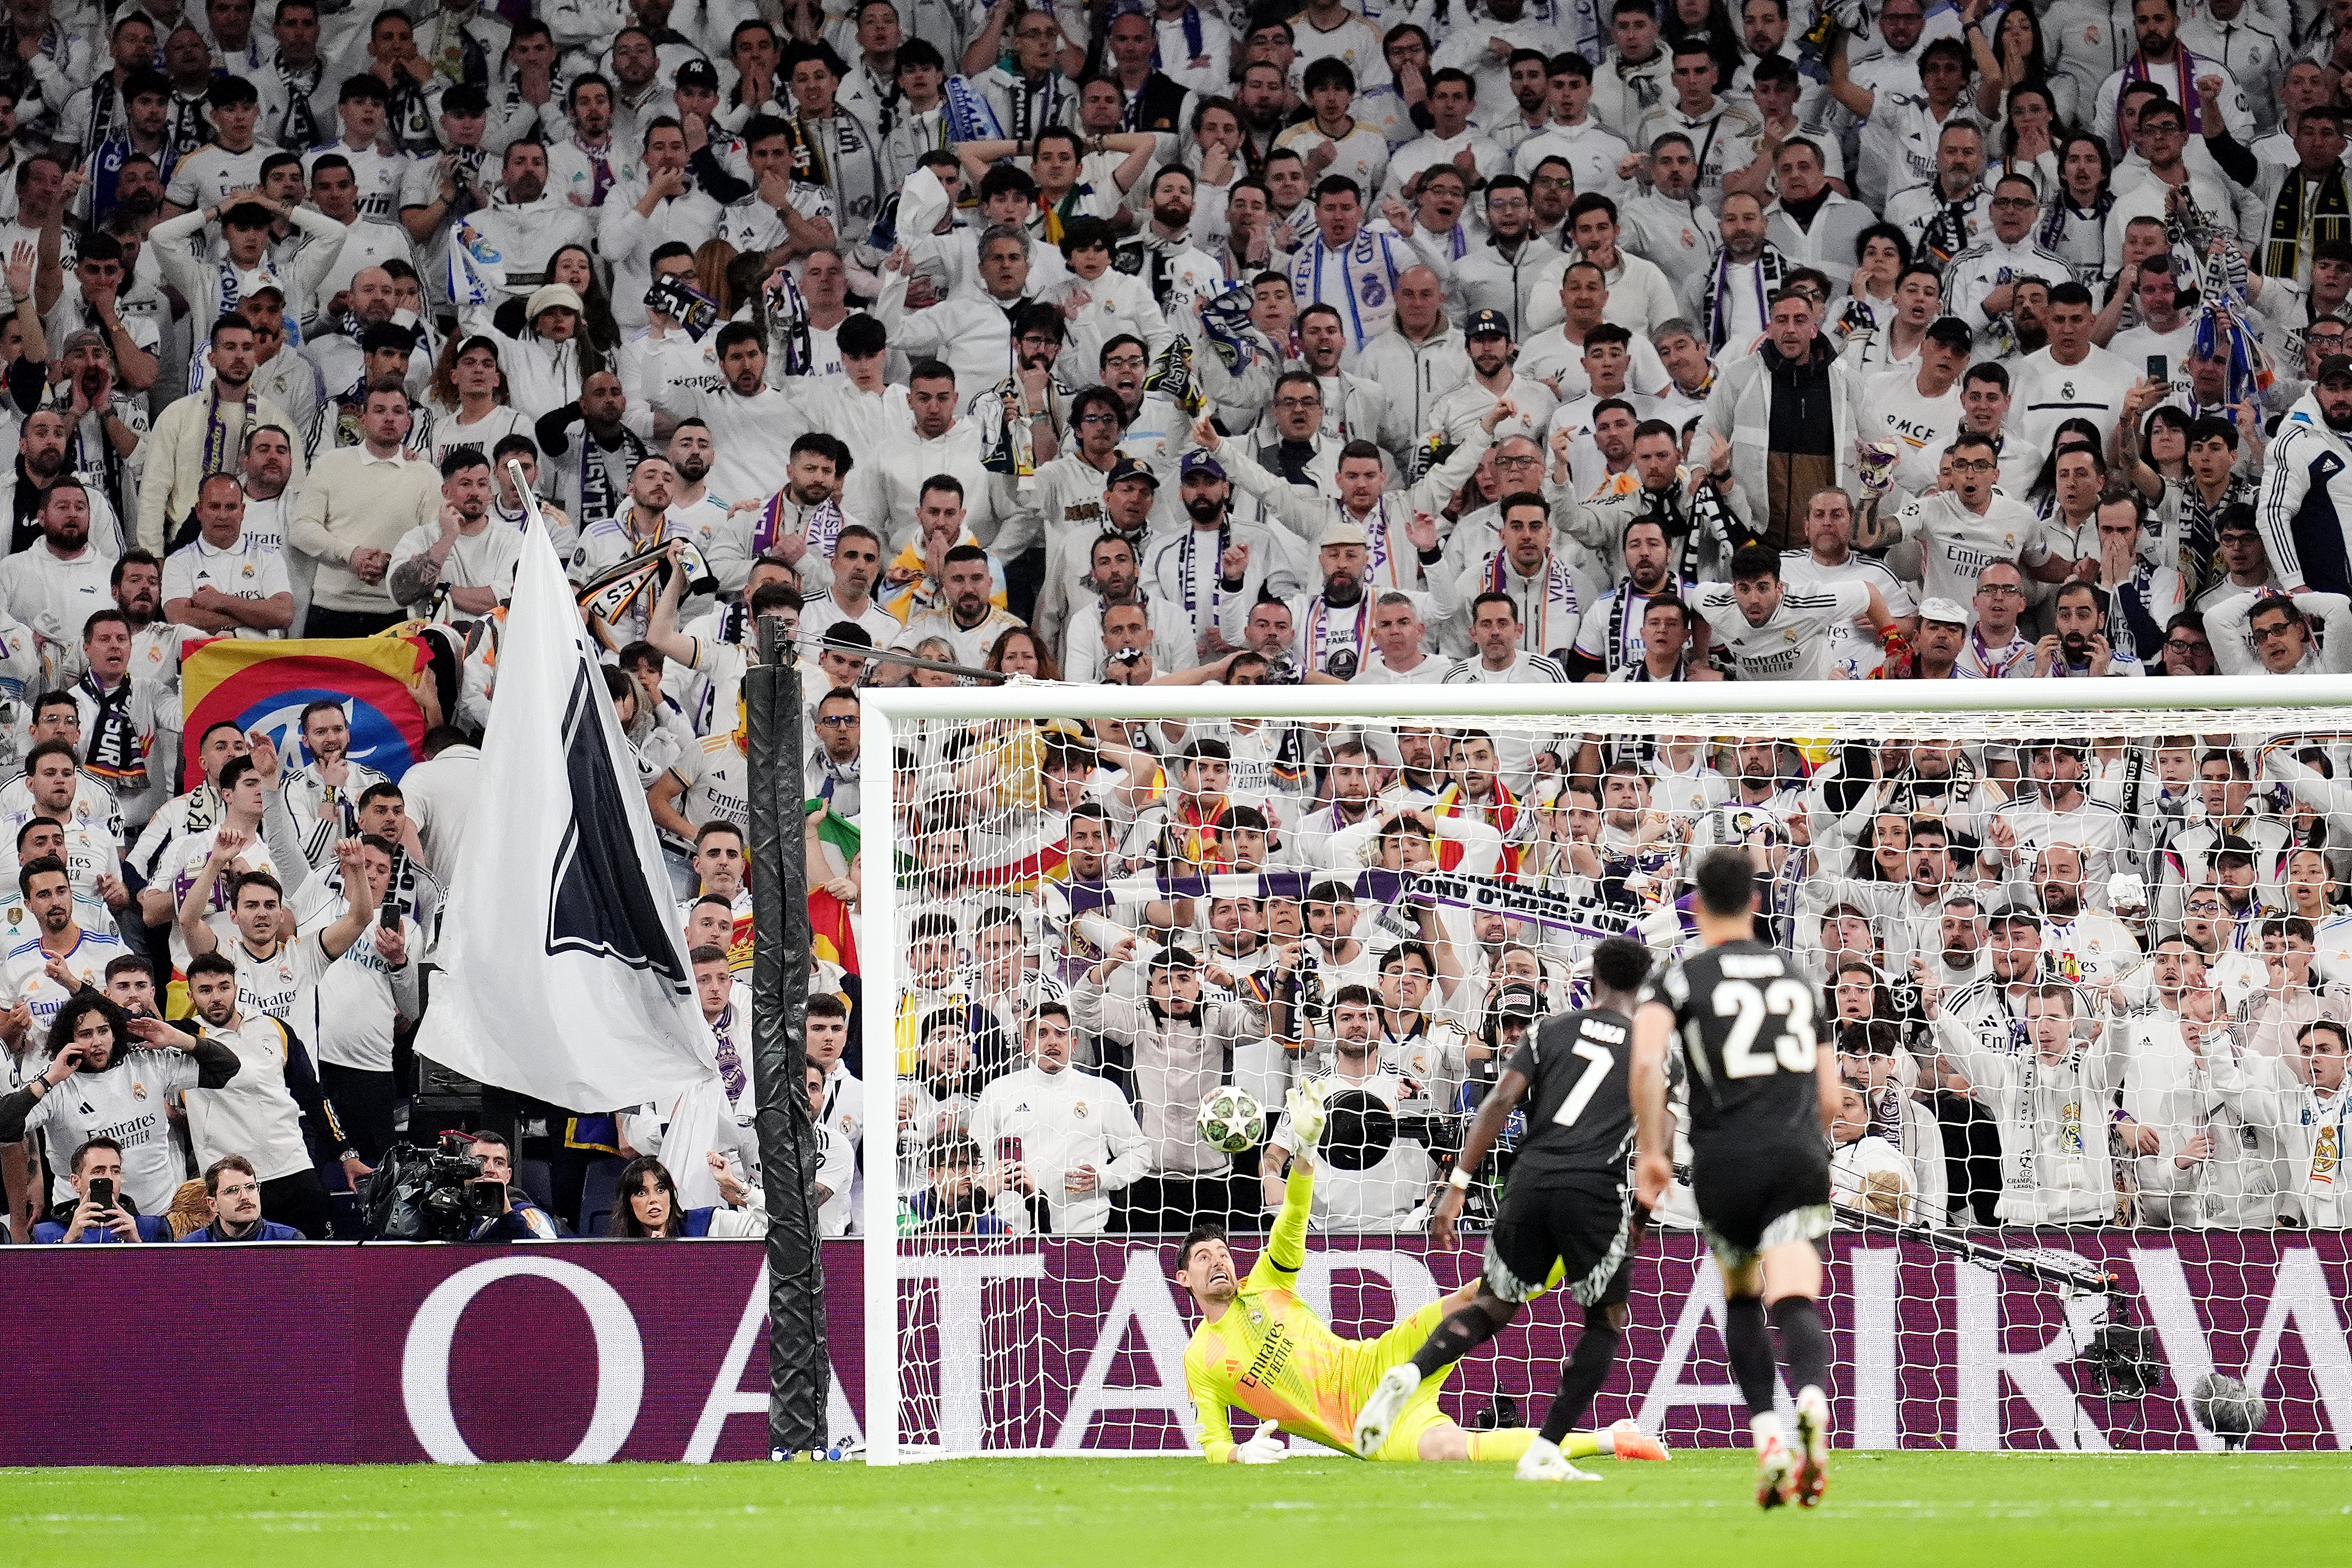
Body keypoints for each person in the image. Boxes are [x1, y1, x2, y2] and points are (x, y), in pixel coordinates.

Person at [1175, 1076, 1669, 1467]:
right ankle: (1609, 1440)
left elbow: (1293, 1220)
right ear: (1184, 1281)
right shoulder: (1201, 1358)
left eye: (1221, 1252)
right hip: (1362, 1427)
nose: (1218, 1261)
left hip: (1377, 1362)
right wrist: (1240, 1452)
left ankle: (1583, 1246)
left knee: (1475, 1294)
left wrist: (1303, 1154)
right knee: (1448, 1451)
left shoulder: (1264, 1285)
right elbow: (1213, 1442)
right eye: (1203, 1258)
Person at [1352, 936, 1668, 1480]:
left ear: (1590, 985)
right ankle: (1546, 1450)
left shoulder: (1549, 1030)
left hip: (1526, 1184)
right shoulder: (1650, 1046)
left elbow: (1498, 1100)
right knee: (1604, 1321)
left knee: (1494, 1306)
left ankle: (1410, 1371)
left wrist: (1456, 1185)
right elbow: (1658, 1140)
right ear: (1641, 990)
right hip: (1592, 1191)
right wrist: (1639, 1216)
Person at [1633, 846, 1837, 1508]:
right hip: (1798, 1153)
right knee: (1797, 1295)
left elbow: (1645, 1063)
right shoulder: (1799, 978)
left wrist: (1652, 1152)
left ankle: (1770, 1435)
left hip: (1726, 1159)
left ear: (1695, 905)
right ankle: (1811, 1398)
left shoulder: (1685, 976)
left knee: (1743, 1298)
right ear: (1756, 900)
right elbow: (1832, 1096)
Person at [28, 1135, 172, 1242]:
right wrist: (68, 1242)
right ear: (76, 1182)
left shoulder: (152, 1228)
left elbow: (168, 1280)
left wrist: (137, 1244)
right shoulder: (46, 1234)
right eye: (98, 1171)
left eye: (115, 1171)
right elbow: (43, 1281)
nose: (109, 1178)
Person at [177, 1153, 304, 1241]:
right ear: (213, 1204)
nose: (245, 1197)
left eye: (250, 1187)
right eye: (232, 1190)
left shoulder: (289, 1242)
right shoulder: (190, 1250)